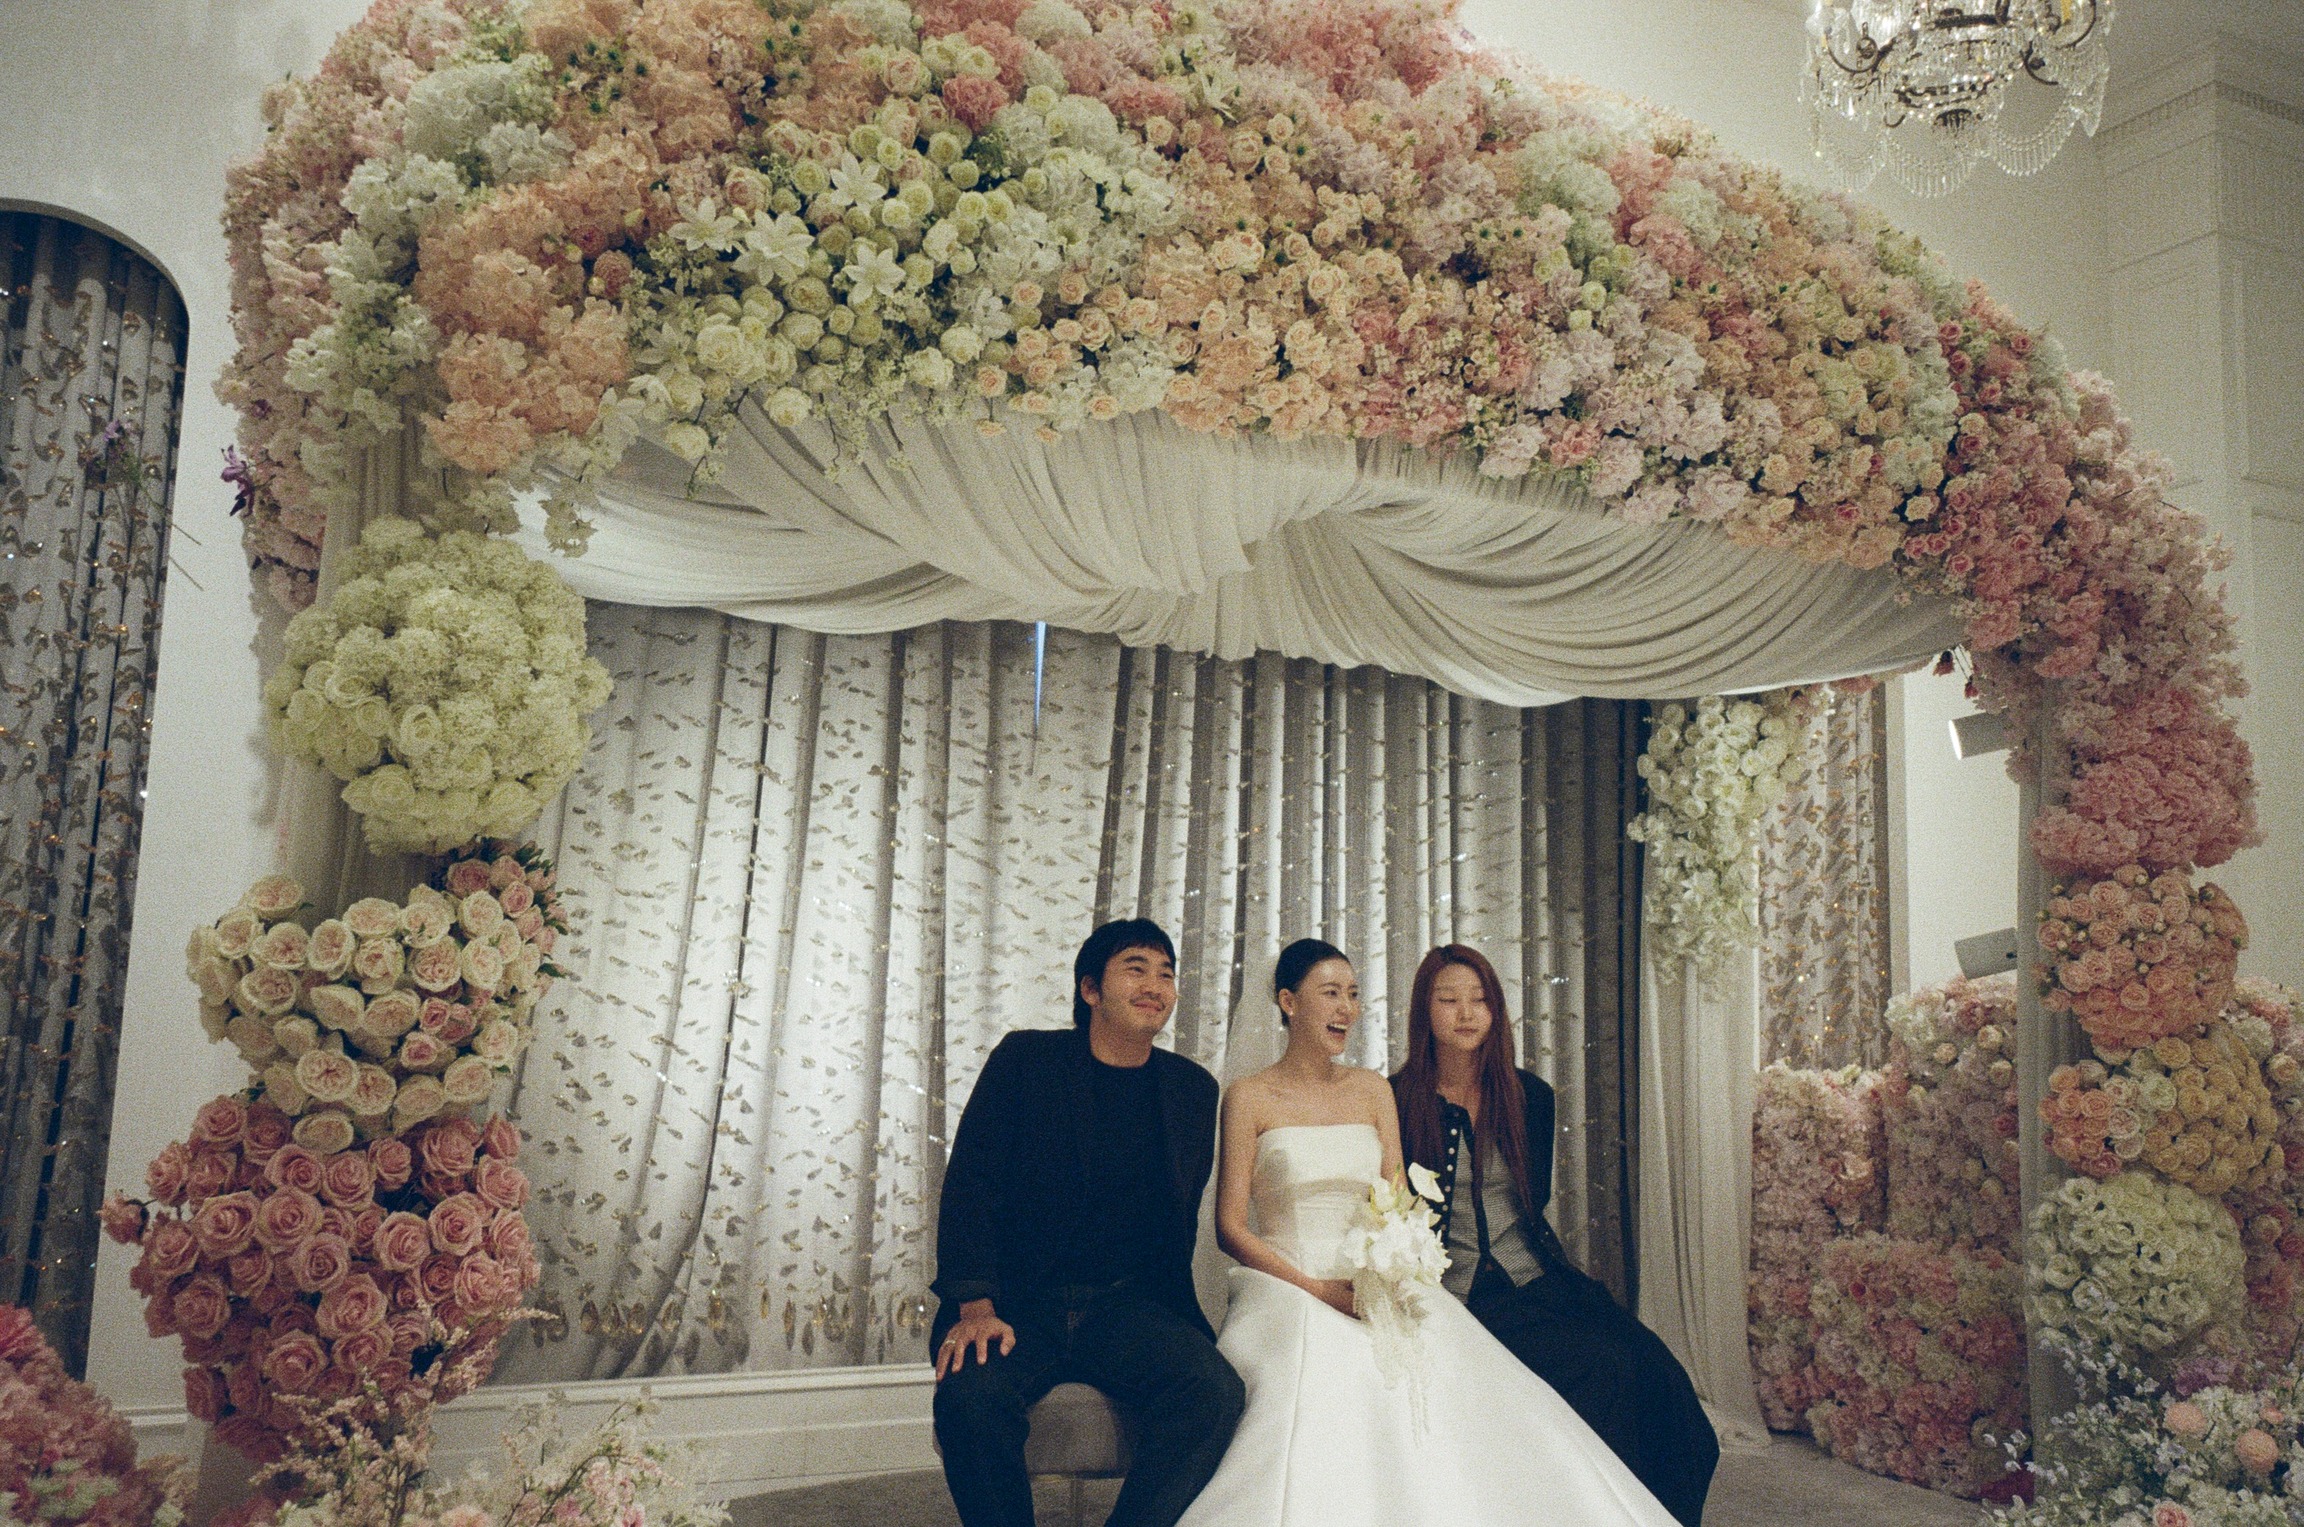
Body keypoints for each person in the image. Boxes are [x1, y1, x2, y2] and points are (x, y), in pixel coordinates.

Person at [1178, 939, 1680, 1527]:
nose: (1346, 1008)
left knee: (1484, 1389)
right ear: (1288, 1002)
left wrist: (1389, 1268)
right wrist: (1319, 1290)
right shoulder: (1248, 1096)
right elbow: (1230, 1229)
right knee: (1326, 1388)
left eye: (1353, 994)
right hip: (1290, 1282)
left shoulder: (1372, 1090)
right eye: (1330, 993)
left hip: (1372, 1277)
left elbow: (1397, 1201)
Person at [928, 918, 1245, 1527]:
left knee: (1214, 1392)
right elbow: (971, 1185)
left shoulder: (1191, 1090)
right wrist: (975, 1306)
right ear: (1090, 989)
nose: (1155, 985)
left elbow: (1177, 1222)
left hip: (1124, 1307)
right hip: (1017, 1303)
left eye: (1166, 973)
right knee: (971, 1398)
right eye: (1136, 968)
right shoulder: (1026, 1060)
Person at [1391, 943, 1720, 1527]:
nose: (1466, 1013)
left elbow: (1530, 1204)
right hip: (1457, 1294)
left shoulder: (1529, 1097)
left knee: (1661, 1376)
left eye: (1480, 1000)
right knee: (1602, 1369)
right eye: (1448, 1000)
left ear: (1496, 1010)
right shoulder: (1395, 1099)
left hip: (1537, 1278)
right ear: (1424, 1011)